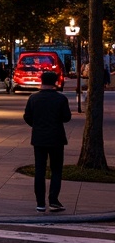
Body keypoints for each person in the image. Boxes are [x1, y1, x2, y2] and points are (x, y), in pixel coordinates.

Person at [23, 69, 72, 212]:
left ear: (42, 81)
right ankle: (54, 200)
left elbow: (27, 117)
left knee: (40, 170)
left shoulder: (33, 98)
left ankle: (40, 202)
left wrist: (37, 125)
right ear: (55, 82)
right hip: (56, 138)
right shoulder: (61, 99)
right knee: (56, 170)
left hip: (39, 138)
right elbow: (66, 117)